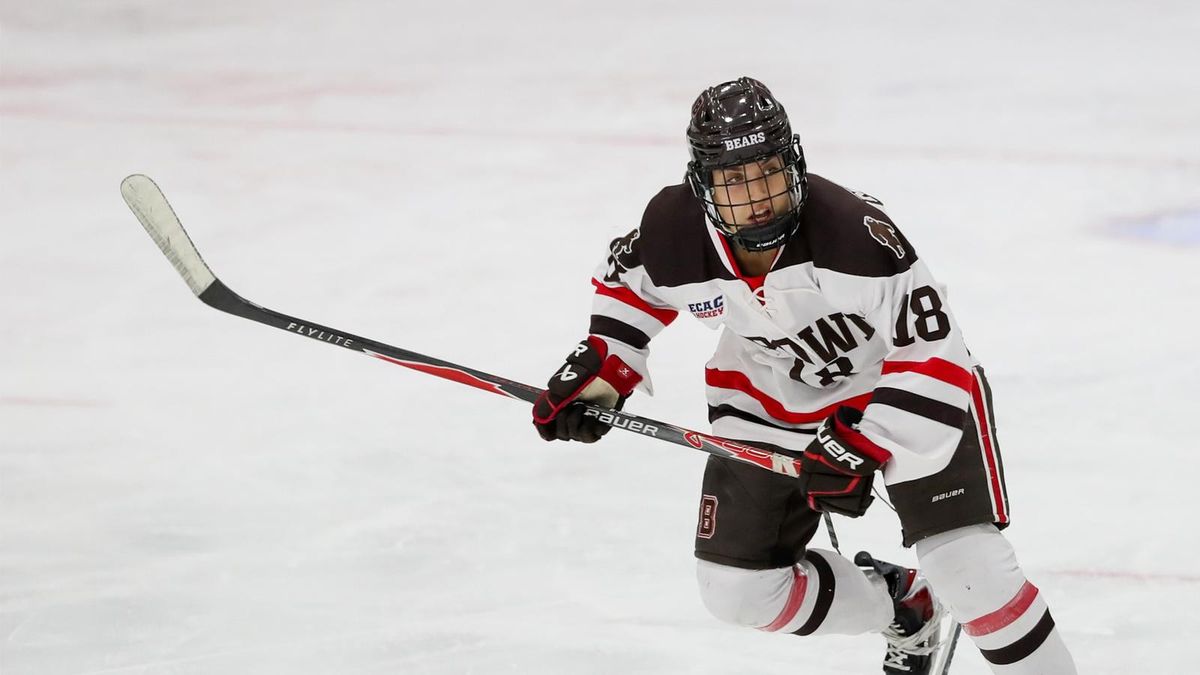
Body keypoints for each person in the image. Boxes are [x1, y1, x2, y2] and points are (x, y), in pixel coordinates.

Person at [532, 77, 1076, 674]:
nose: (755, 195)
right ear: (703, 183)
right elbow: (631, 286)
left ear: (791, 161)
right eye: (733, 179)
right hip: (766, 401)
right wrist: (606, 366)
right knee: (737, 592)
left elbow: (936, 356)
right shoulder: (673, 230)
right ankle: (905, 604)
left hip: (895, 395)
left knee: (970, 571)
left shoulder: (855, 236)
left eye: (765, 170)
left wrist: (863, 443)